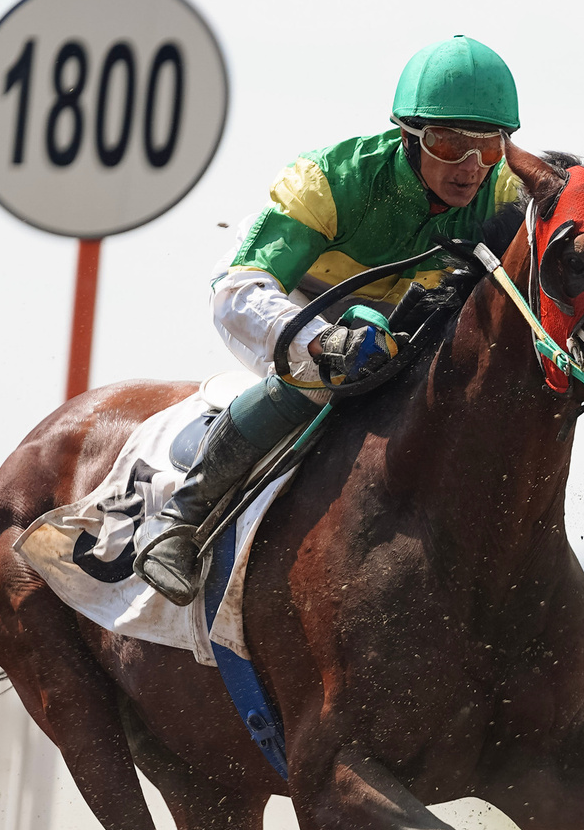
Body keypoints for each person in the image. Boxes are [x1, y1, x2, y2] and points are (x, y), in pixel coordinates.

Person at [137, 35, 525, 604]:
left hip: (403, 314)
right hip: (298, 299)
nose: (470, 169)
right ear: (409, 135)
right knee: (328, 380)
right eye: (448, 144)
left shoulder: (506, 192)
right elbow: (238, 291)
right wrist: (321, 344)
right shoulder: (327, 180)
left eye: (489, 148)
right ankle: (180, 519)